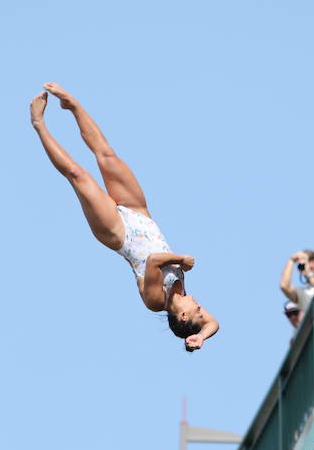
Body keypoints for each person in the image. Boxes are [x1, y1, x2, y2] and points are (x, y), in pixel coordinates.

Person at [31, 83, 219, 352]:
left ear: (184, 316)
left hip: (119, 232)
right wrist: (201, 336)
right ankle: (72, 105)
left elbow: (154, 261)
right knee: (107, 154)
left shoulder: (157, 300)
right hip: (140, 214)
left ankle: (39, 124)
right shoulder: (184, 292)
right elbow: (215, 324)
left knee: (77, 174)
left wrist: (181, 259)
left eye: (197, 312)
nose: (201, 306)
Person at [279, 250, 314, 323]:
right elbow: (284, 286)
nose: (308, 270)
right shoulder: (304, 292)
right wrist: (292, 260)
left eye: (311, 268)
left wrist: (309, 274)